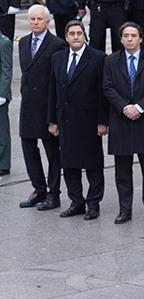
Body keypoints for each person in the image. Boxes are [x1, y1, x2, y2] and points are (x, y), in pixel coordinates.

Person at [102, 21, 144, 226]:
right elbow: (108, 87)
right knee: (122, 170)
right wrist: (124, 107)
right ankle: (124, 210)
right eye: (125, 36)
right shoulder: (111, 60)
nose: (129, 39)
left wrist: (139, 107)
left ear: (141, 38)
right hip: (121, 120)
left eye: (133, 35)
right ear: (120, 39)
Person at [48, 20, 108, 221]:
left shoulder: (98, 58)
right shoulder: (57, 58)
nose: (75, 37)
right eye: (71, 33)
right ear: (66, 37)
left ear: (85, 36)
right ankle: (76, 201)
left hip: (89, 120)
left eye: (79, 33)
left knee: (93, 164)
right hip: (65, 120)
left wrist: (102, 121)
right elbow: (52, 91)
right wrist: (52, 120)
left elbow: (102, 92)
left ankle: (93, 203)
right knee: (70, 164)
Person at [18, 6, 67, 212]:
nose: (36, 22)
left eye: (39, 19)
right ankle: (38, 188)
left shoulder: (57, 44)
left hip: (47, 106)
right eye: (32, 19)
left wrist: (54, 116)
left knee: (52, 152)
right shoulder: (24, 43)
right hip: (28, 105)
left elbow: (59, 80)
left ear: (48, 21)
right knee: (28, 148)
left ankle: (53, 193)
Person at [0, 31, 10, 178]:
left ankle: (3, 163)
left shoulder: (4, 43)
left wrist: (2, 93)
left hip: (0, 94)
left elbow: (6, 70)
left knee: (1, 131)